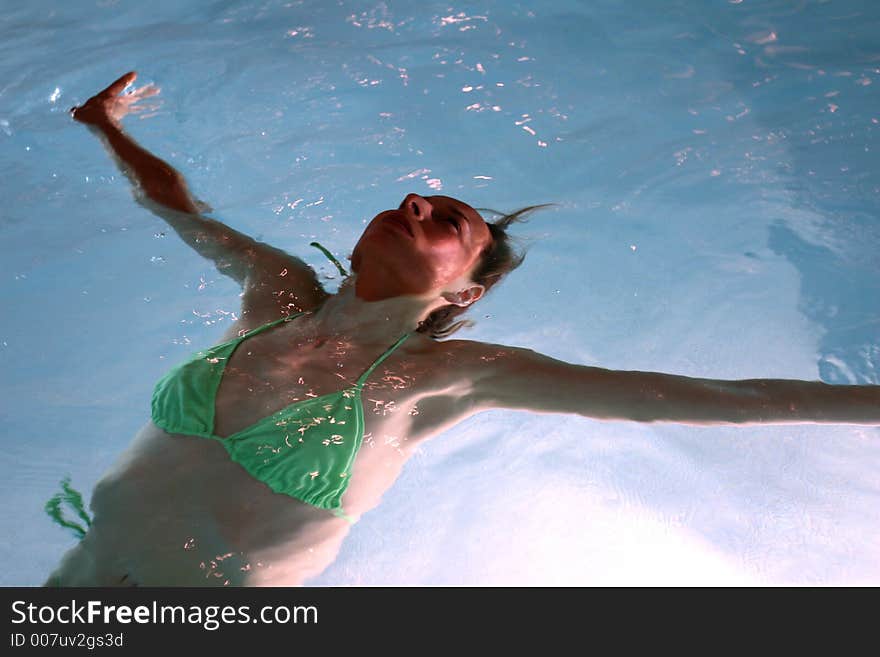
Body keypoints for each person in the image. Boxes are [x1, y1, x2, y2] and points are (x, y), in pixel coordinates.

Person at [46, 72, 880, 586]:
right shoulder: (277, 294)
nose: (415, 203)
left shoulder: (451, 377)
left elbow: (711, 399)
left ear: (465, 292)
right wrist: (107, 128)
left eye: (449, 219)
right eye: (416, 198)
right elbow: (176, 206)